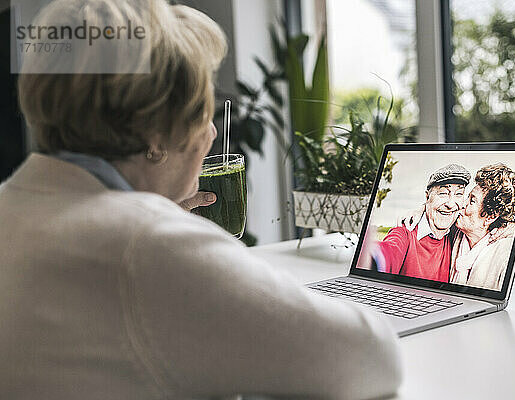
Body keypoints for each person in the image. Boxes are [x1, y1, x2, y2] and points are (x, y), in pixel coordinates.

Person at [0, 1, 401, 399]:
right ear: (156, 137)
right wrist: (167, 233)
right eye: (202, 113)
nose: (211, 134)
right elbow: (372, 358)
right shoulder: (146, 245)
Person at [371, 164, 471, 281]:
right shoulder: (405, 231)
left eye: (459, 194)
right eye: (443, 193)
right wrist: (370, 255)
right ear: (427, 197)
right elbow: (386, 252)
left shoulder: (458, 233)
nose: (450, 204)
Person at [450, 164, 515, 290]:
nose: (462, 204)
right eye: (468, 197)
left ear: (491, 216)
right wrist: (423, 209)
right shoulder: (452, 232)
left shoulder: (505, 255)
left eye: (472, 201)